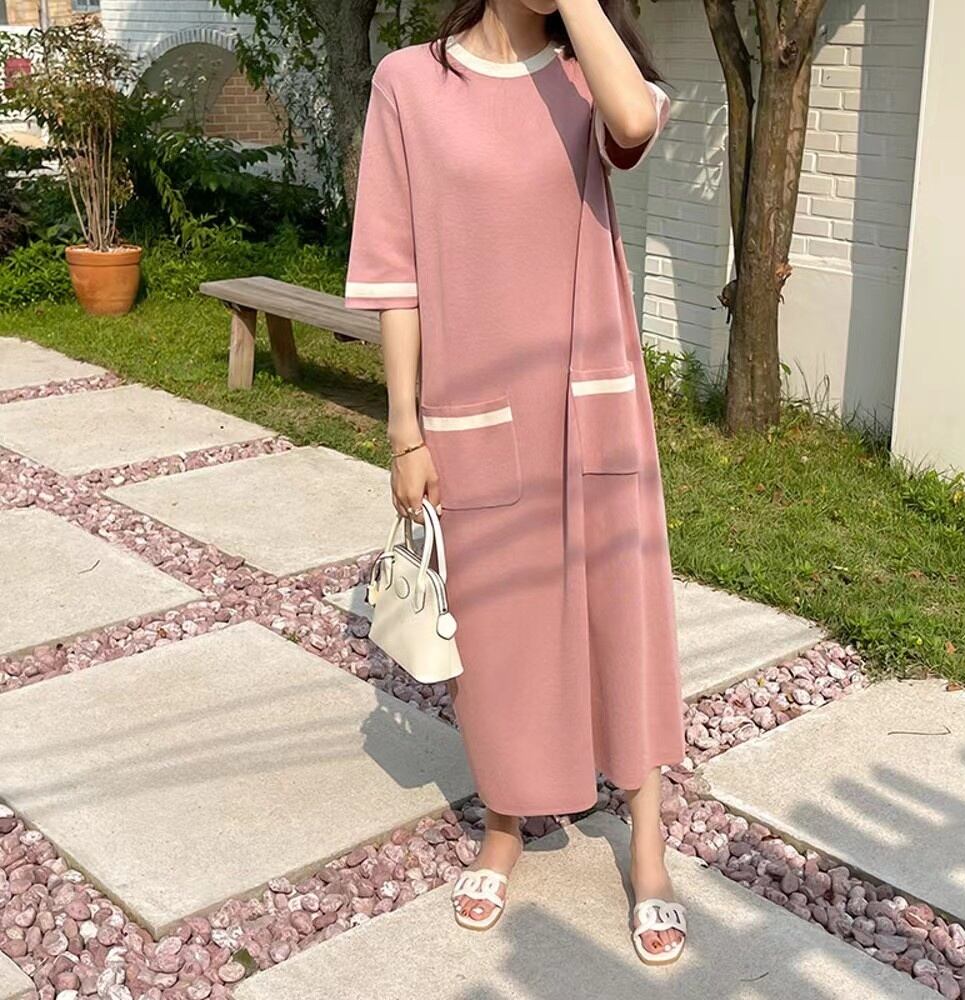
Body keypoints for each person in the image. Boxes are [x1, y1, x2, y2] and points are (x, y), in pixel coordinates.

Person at [345, 0, 687, 966]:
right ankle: (505, 823)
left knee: (623, 614)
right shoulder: (409, 82)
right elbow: (394, 267)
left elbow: (634, 122)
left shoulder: (588, 72)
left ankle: (648, 845)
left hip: (594, 404)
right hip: (474, 411)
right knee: (497, 632)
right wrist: (404, 428)